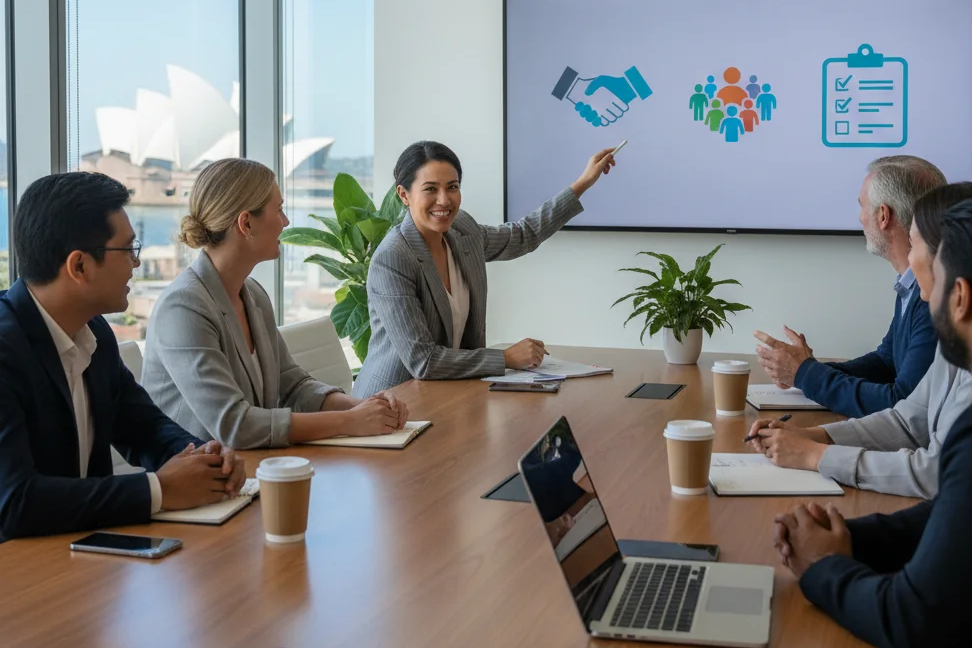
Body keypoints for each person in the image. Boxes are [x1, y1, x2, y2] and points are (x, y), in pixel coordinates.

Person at [771, 193, 972, 648]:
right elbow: (958, 511)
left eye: (929, 276)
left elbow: (913, 622)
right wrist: (856, 538)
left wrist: (823, 567)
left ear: (959, 299)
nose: (921, 292)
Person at [0, 172, 246, 542]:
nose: (136, 263)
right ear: (79, 266)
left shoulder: (94, 331)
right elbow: (15, 502)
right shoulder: (5, 350)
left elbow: (143, 427)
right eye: (128, 249)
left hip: (84, 560)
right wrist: (159, 491)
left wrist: (204, 457)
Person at [143, 159, 409, 449]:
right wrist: (349, 422)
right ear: (246, 223)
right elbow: (235, 425)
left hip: (252, 471)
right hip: (199, 484)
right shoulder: (183, 308)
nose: (286, 222)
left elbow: (292, 384)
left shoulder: (252, 293)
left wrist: (364, 408)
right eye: (279, 210)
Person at [748, 182, 972, 497]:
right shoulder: (954, 340)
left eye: (914, 244)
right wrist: (813, 436)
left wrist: (815, 455)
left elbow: (937, 472)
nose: (910, 260)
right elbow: (908, 420)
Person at [352, 142, 617, 397]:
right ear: (404, 195)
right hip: (390, 404)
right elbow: (424, 360)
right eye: (430, 189)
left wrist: (583, 183)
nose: (444, 200)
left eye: (452, 187)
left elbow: (522, 235)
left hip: (448, 395)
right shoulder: (393, 258)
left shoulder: (462, 230)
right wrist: (505, 358)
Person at [755, 156, 946, 417]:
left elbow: (901, 403)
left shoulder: (932, 295)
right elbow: (886, 362)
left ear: (883, 216)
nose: (859, 218)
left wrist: (805, 373)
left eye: (862, 207)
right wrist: (804, 369)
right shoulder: (910, 284)